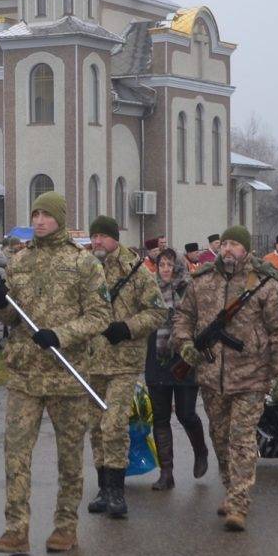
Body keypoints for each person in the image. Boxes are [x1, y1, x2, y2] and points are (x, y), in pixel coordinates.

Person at [0, 192, 108, 555]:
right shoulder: (19, 261)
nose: (39, 220)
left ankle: (65, 526)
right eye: (35, 213)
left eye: (46, 214)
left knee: (69, 456)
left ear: (59, 217)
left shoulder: (83, 264)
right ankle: (16, 529)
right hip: (25, 374)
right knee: (15, 453)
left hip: (66, 375)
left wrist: (61, 335)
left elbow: (100, 316)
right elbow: (10, 318)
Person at [172, 226, 278, 530]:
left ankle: (239, 503)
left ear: (246, 250)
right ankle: (230, 488)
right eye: (224, 244)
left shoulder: (264, 284)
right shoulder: (202, 281)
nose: (228, 249)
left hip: (251, 377)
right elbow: (184, 317)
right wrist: (185, 344)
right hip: (212, 378)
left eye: (235, 245)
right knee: (220, 437)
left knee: (241, 440)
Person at [83, 215, 167, 517]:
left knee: (114, 424)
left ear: (114, 238)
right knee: (95, 427)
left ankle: (118, 493)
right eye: (93, 237)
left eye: (102, 237)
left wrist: (127, 327)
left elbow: (158, 312)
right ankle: (103, 488)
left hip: (123, 362)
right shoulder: (88, 269)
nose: (96, 242)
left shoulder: (136, 272)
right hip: (93, 362)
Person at [144, 248, 208, 489]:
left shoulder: (189, 289)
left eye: (170, 265)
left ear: (178, 266)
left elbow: (200, 320)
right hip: (157, 359)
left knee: (186, 413)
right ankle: (166, 473)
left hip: (183, 359)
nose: (166, 269)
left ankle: (201, 452)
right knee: (160, 418)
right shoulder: (150, 290)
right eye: (162, 265)